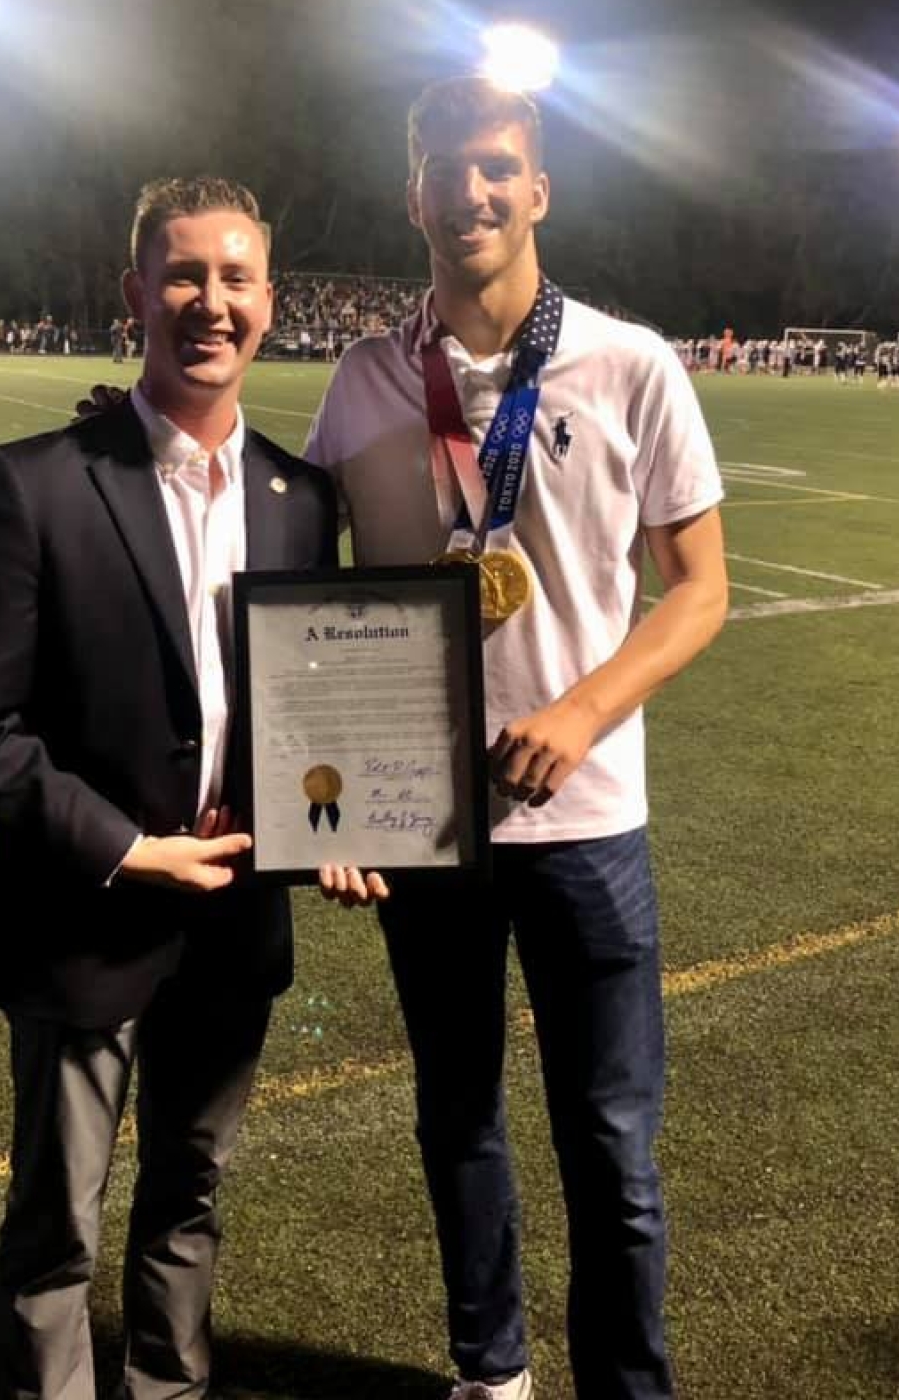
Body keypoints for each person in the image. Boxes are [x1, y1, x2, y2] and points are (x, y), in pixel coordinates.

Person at [307, 77, 729, 1400]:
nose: (471, 191)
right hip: (421, 823)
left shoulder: (629, 363)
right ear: (413, 191)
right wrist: (131, 448)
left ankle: (626, 1384)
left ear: (537, 188)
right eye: (446, 167)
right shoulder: (366, 378)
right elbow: (297, 570)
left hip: (587, 822)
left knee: (611, 1141)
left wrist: (586, 709)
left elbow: (702, 584)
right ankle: (491, 1370)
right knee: (458, 1114)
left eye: (498, 168)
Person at [0, 176, 338, 1400]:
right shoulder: (32, 482)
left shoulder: (302, 502)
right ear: (134, 291)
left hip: (237, 913)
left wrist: (348, 824)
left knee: (190, 1200)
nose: (211, 301)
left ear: (270, 300)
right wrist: (122, 848)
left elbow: (317, 708)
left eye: (236, 276)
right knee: (57, 1233)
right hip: (81, 911)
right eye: (184, 273)